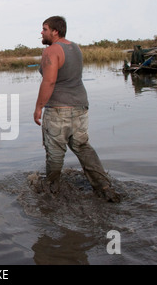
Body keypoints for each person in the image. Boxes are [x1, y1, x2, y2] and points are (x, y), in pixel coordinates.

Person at [33, 16, 120, 203]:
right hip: (80, 106)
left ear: (55, 31)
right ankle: (104, 188)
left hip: (58, 109)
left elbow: (49, 81)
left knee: (55, 152)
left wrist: (38, 107)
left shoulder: (51, 51)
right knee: (83, 147)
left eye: (45, 29)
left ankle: (52, 190)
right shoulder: (75, 48)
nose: (42, 32)